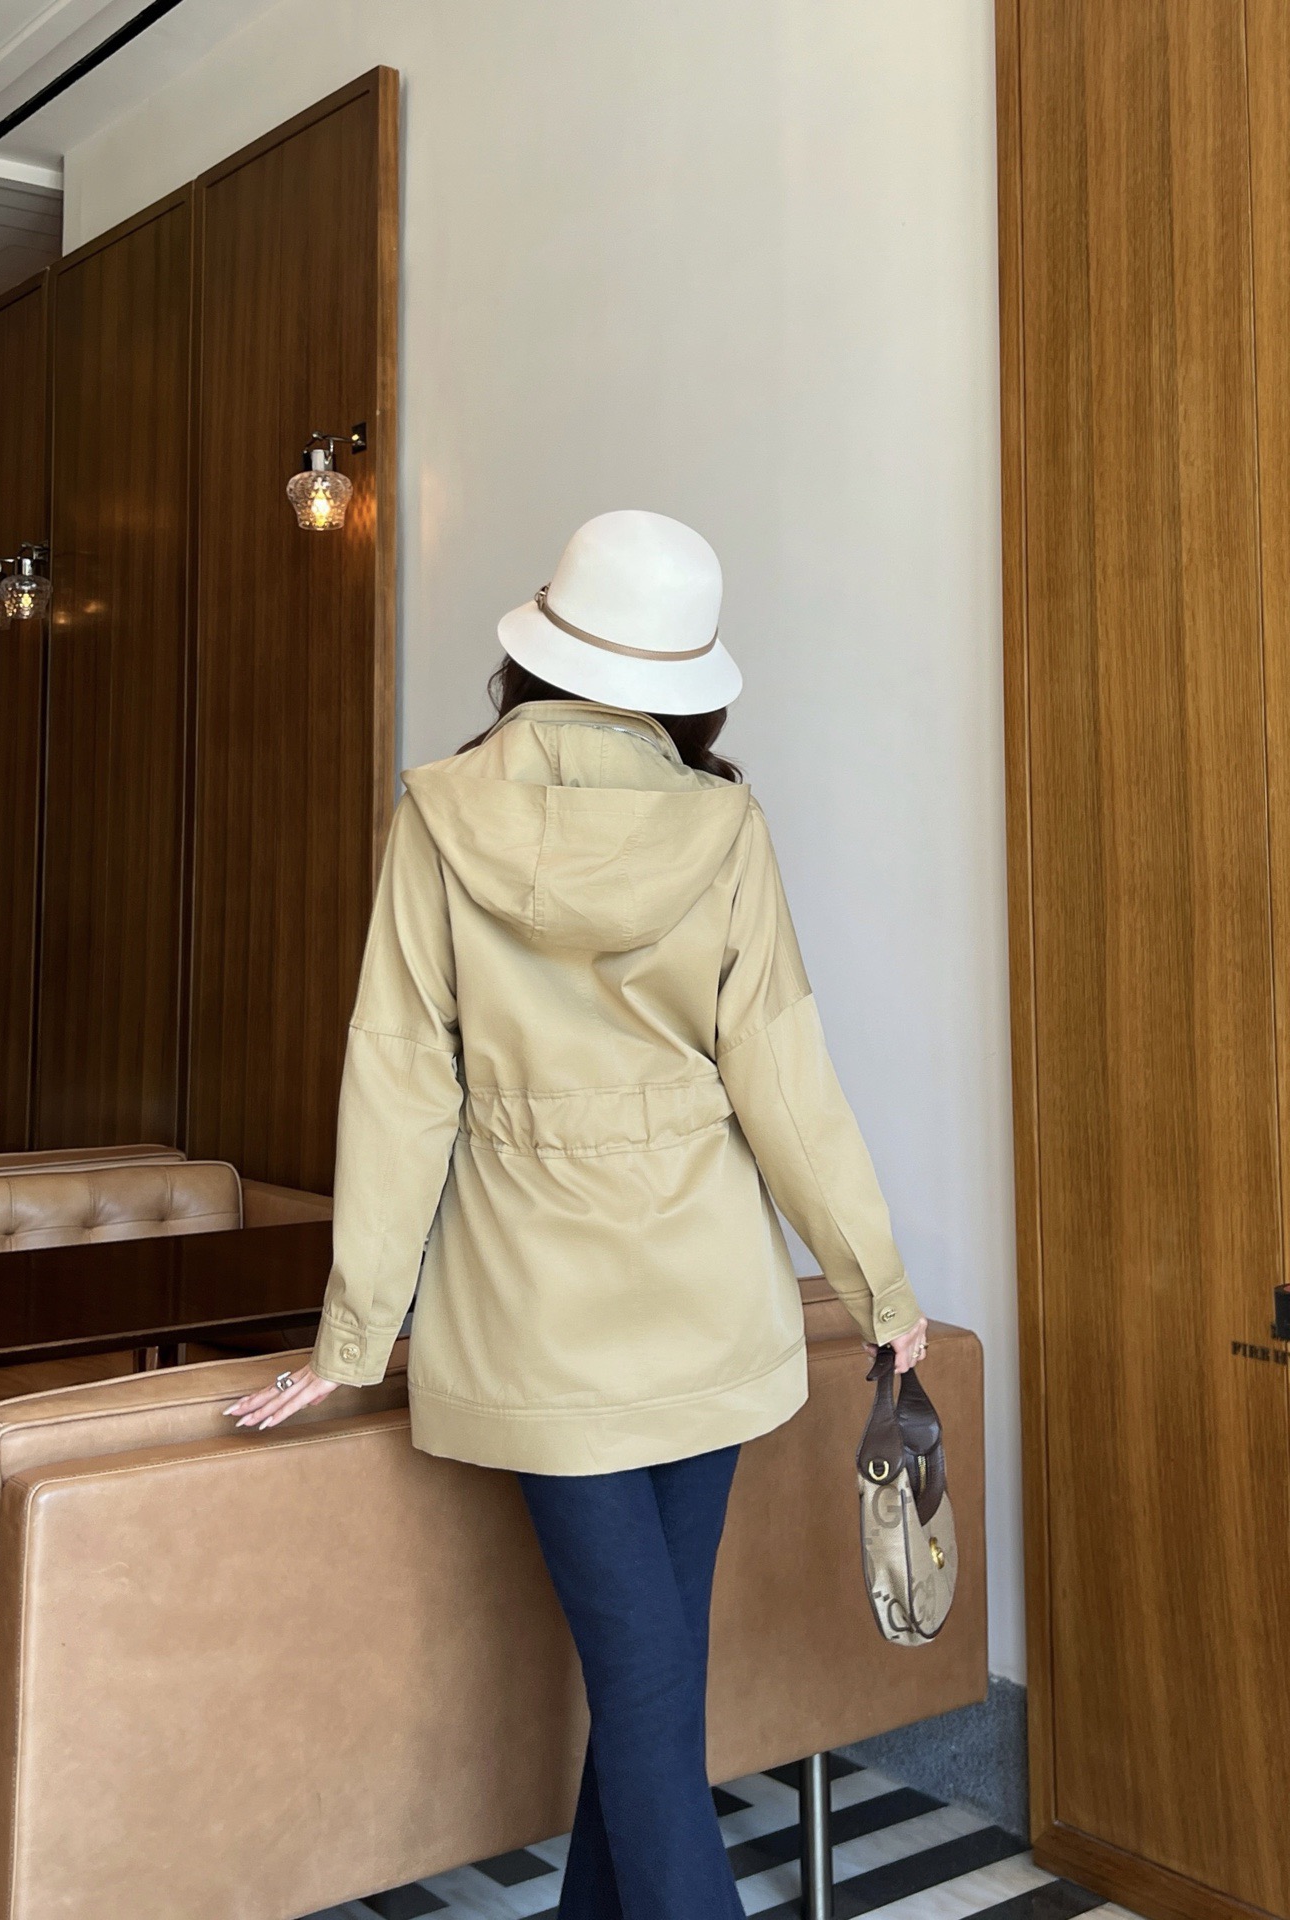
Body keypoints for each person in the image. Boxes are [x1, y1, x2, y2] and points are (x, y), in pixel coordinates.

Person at [227, 509, 928, 1919]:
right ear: (688, 679)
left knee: (648, 1682)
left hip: (529, 1309)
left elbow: (400, 1082)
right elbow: (785, 1081)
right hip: (704, 1299)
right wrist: (878, 1290)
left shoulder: (439, 815)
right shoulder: (726, 825)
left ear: (539, 649)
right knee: (655, 1678)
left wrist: (354, 1336)